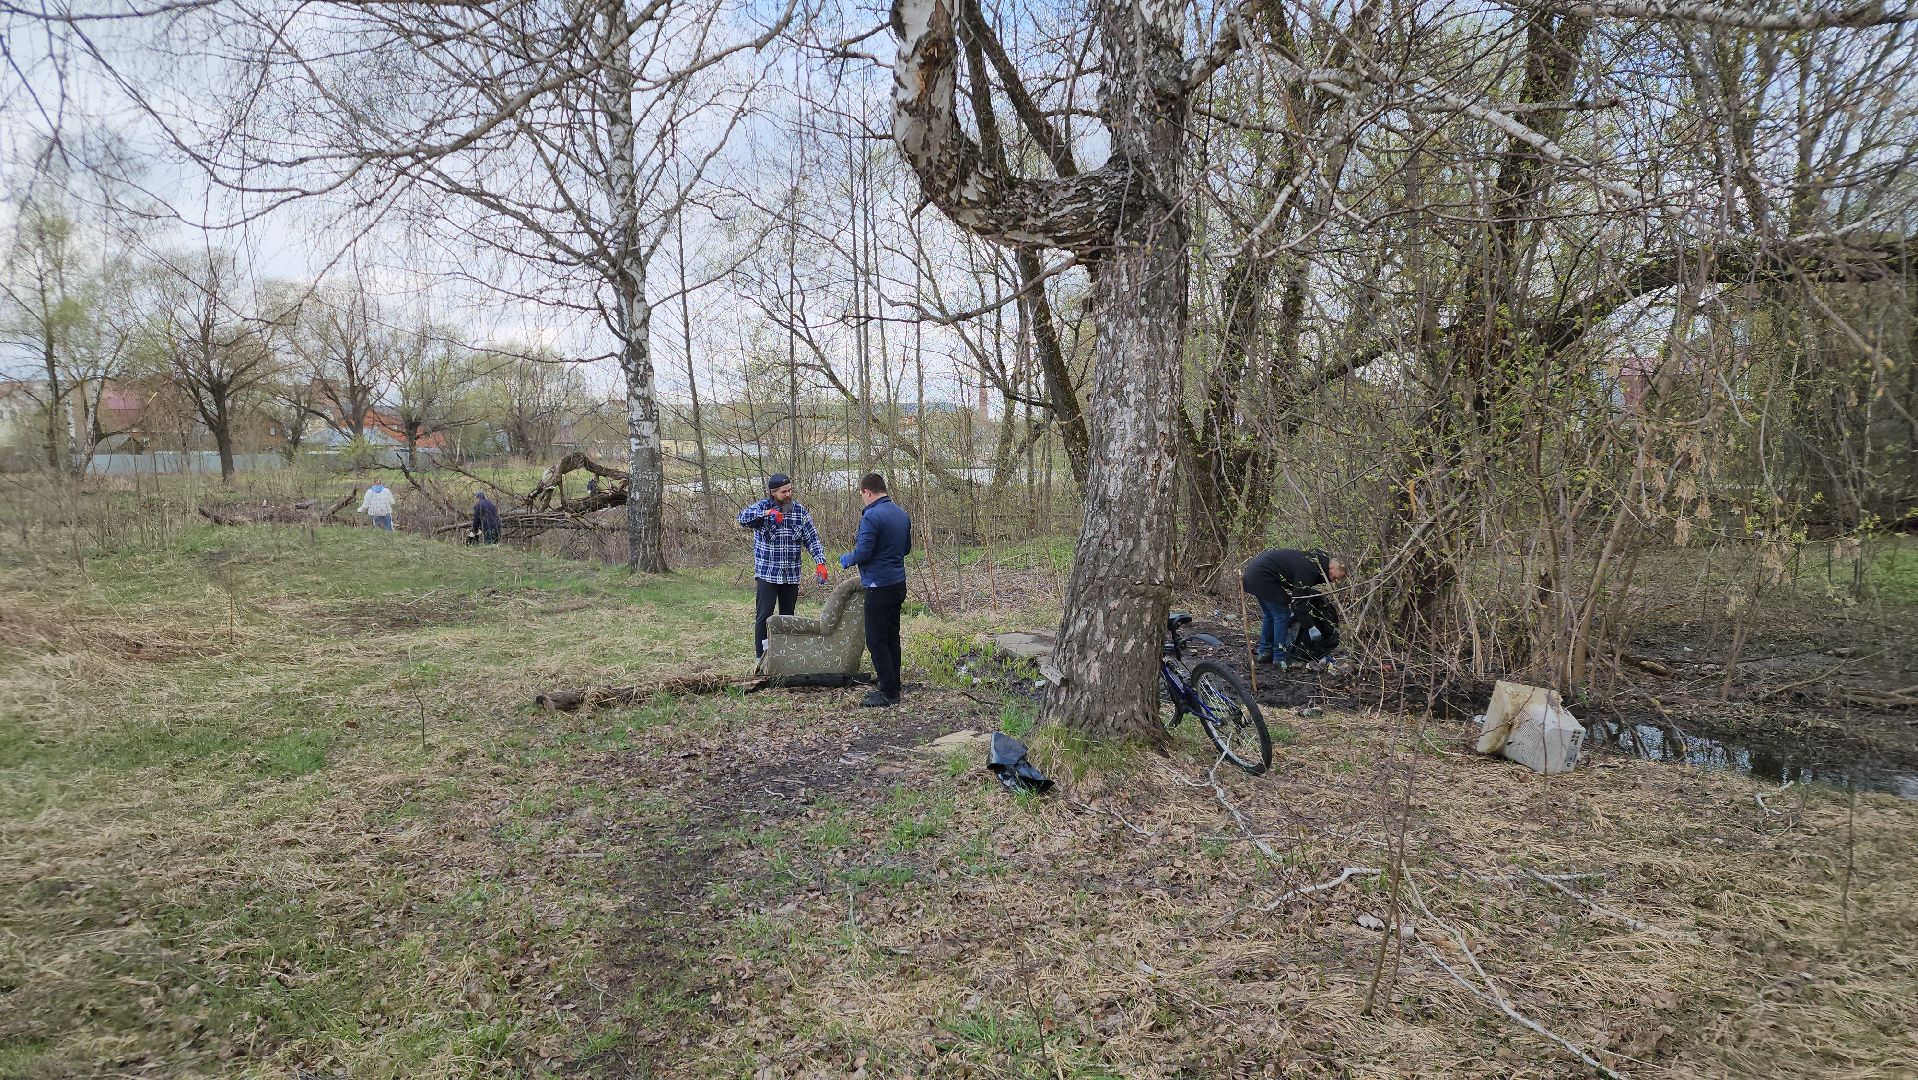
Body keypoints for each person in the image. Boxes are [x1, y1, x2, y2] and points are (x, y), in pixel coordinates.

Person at [737, 473, 829, 659]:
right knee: (765, 617)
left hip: (791, 575)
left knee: (788, 618)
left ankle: (786, 656)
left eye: (790, 490)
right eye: (783, 492)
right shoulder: (762, 508)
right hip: (768, 574)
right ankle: (761, 658)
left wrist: (820, 562)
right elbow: (742, 518)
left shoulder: (799, 511)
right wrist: (766, 514)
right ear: (773, 493)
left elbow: (812, 539)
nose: (788, 494)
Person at [839, 472, 911, 707]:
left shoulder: (871, 516)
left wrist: (847, 559)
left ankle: (888, 692)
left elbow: (863, 552)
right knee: (891, 637)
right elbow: (906, 549)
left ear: (867, 492)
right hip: (898, 584)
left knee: (876, 640)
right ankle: (893, 683)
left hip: (878, 586)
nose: (863, 499)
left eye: (862, 495)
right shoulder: (901, 514)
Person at [1241, 548, 1346, 664]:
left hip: (1254, 574)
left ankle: (1265, 652)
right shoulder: (1310, 568)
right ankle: (1279, 657)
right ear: (1332, 567)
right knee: (1282, 615)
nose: (1334, 581)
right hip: (1262, 576)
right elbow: (1298, 603)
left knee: (1270, 615)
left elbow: (1298, 589)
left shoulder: (1314, 562)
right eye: (1335, 577)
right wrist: (1310, 627)